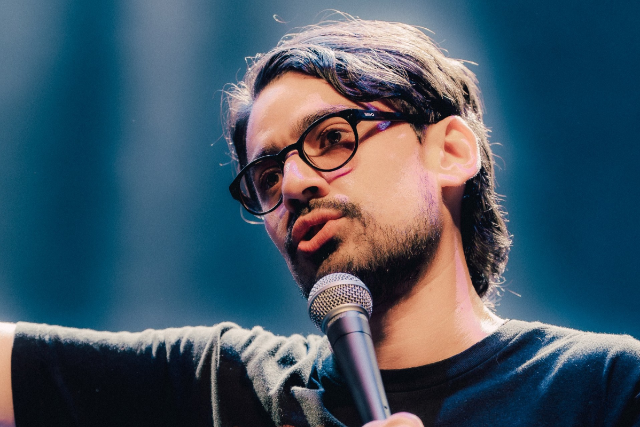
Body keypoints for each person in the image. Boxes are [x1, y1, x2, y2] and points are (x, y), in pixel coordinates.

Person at [1, 16, 639, 427]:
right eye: (267, 175)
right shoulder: (230, 386)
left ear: (449, 151)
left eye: (332, 138)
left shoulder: (603, 388)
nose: (295, 184)